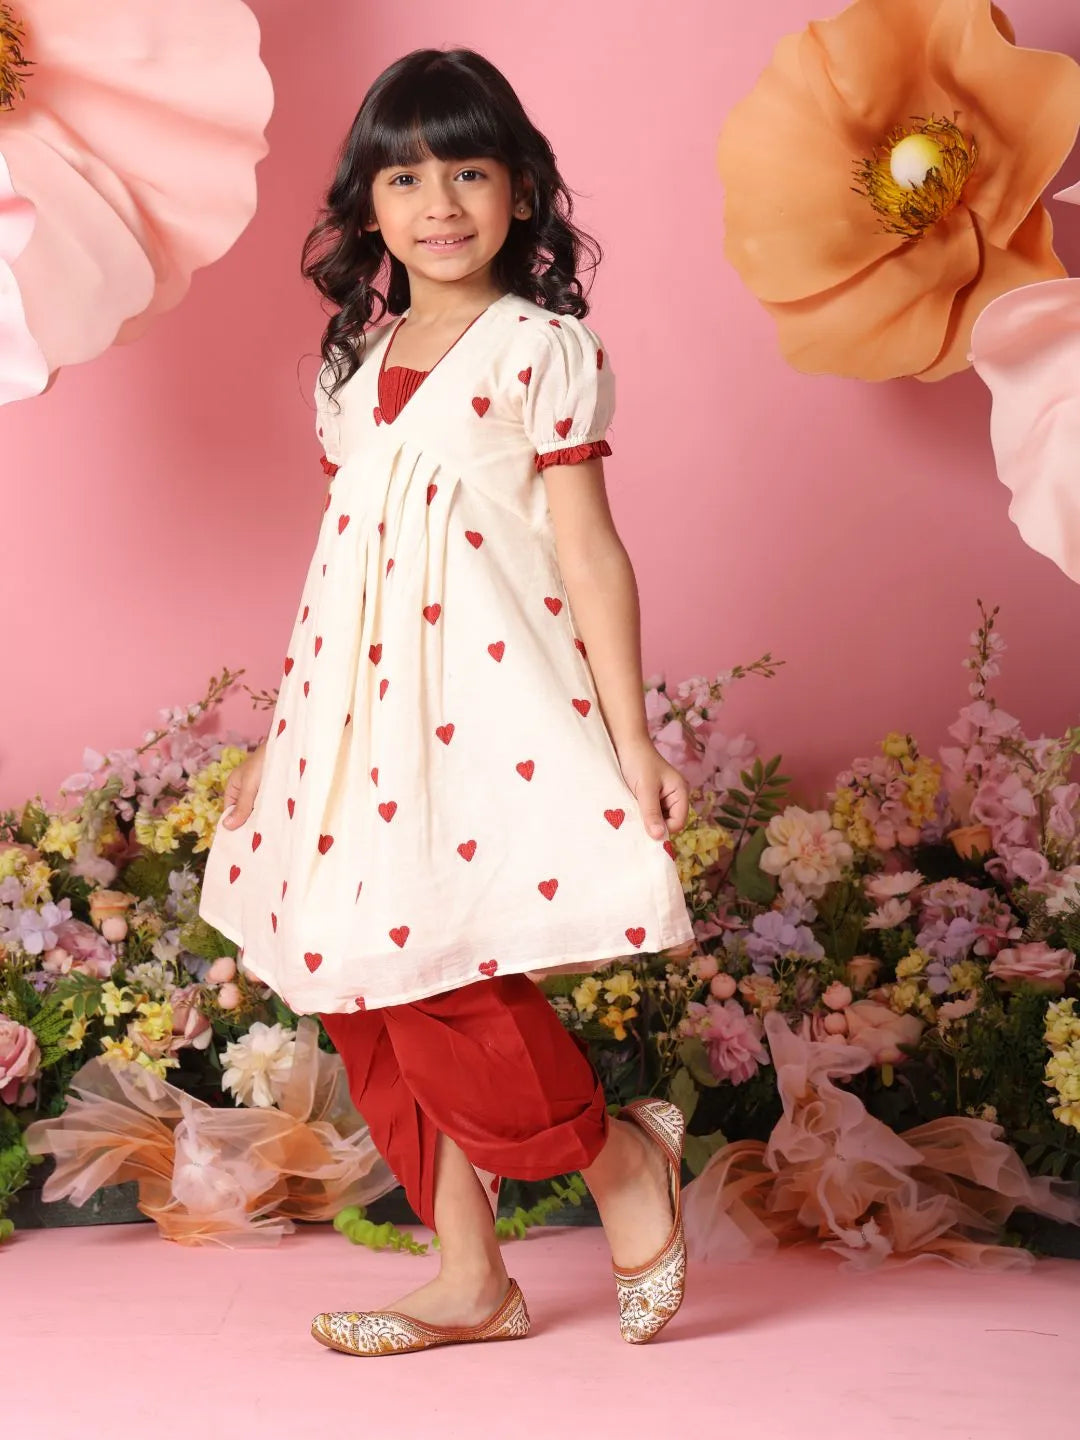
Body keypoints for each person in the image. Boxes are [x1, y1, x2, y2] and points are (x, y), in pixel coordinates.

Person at [197, 46, 698, 1356]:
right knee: (361, 987)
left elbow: (588, 550)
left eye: (470, 171)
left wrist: (634, 737)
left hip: (473, 716)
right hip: (350, 724)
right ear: (367, 205)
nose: (440, 202)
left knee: (445, 978)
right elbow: (343, 573)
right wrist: (279, 738)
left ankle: (618, 1163)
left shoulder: (543, 351)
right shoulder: (347, 373)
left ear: (521, 192)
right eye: (406, 176)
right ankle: (468, 1273)